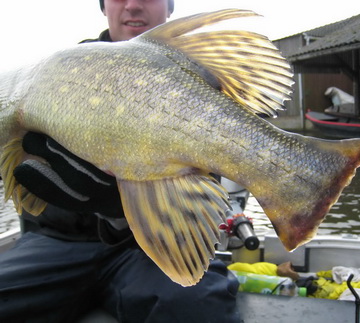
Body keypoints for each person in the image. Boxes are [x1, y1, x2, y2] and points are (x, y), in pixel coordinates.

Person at [0, 1, 240, 322]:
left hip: (154, 247)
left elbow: (209, 178)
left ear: (169, 6)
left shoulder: (199, 74)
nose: (133, 5)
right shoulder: (61, 68)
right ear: (104, 7)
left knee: (197, 309)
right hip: (58, 241)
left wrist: (122, 211)